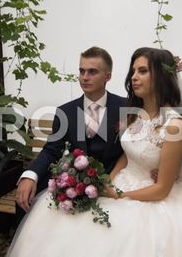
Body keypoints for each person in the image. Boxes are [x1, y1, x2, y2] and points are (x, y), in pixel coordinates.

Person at [7, 47, 182, 256]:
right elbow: (126, 153)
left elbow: (165, 180)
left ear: (108, 76)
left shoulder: (140, 113)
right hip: (110, 183)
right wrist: (108, 182)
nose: (134, 77)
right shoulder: (132, 113)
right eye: (133, 71)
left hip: (146, 197)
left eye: (142, 71)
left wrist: (124, 191)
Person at [15, 46, 127, 221]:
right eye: (81, 71)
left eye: (92, 72)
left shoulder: (126, 108)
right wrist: (30, 175)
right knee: (28, 193)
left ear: (108, 76)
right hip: (76, 183)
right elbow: (52, 150)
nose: (84, 77)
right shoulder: (65, 112)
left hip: (114, 180)